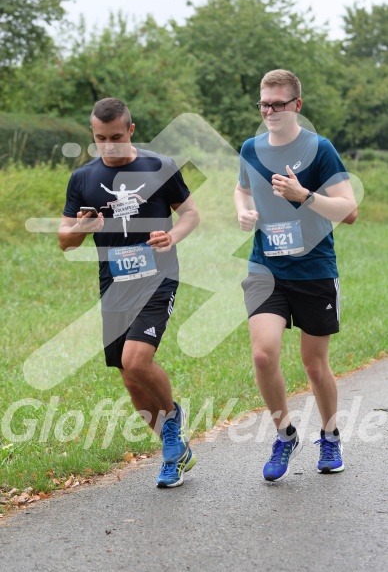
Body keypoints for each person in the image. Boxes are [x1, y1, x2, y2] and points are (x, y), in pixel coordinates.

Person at [58, 98, 200, 488]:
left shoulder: (159, 167)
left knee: (137, 361)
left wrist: (172, 235)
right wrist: (81, 230)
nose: (109, 146)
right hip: (114, 285)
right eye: (100, 138)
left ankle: (171, 421)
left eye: (117, 137)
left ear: (131, 130)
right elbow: (64, 240)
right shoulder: (83, 178)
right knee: (128, 377)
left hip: (157, 278)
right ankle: (173, 453)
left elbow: (190, 214)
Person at [234, 69, 358, 482]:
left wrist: (303, 195)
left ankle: (329, 434)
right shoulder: (250, 148)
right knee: (263, 353)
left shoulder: (320, 149)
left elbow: (349, 210)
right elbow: (243, 188)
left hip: (314, 270)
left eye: (278, 104)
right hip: (266, 266)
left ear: (296, 106)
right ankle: (285, 435)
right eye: (264, 104)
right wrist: (243, 210)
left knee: (314, 364)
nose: (269, 111)